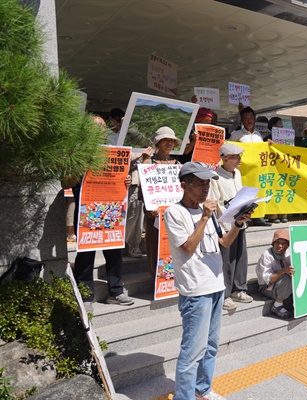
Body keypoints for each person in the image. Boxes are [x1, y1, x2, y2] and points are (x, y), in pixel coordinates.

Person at [163, 162, 252, 400]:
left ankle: (202, 389)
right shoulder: (174, 212)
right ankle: (185, 397)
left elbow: (224, 242)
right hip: (195, 291)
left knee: (211, 345)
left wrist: (238, 224)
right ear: (184, 185)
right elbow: (188, 247)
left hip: (216, 287)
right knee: (192, 350)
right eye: (200, 183)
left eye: (207, 183)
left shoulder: (208, 212)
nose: (205, 188)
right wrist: (203, 217)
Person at [68, 115, 135, 310]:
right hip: (86, 211)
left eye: (103, 129)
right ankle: (86, 295)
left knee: (114, 252)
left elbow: (119, 176)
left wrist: (126, 181)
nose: (100, 132)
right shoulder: (78, 153)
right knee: (86, 254)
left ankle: (116, 291)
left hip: (111, 210)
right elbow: (67, 181)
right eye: (96, 128)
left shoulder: (112, 152)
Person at [208, 143, 253, 311]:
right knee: (227, 259)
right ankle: (225, 293)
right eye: (235, 157)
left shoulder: (238, 173)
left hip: (241, 220)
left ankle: (239, 288)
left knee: (241, 255)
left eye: (239, 156)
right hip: (226, 223)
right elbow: (215, 201)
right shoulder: (215, 176)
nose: (239, 160)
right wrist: (222, 223)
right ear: (225, 158)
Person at [133, 127, 181, 277]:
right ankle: (156, 280)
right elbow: (143, 189)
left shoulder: (178, 164)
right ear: (157, 143)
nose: (169, 143)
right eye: (165, 140)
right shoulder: (149, 162)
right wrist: (149, 210)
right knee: (154, 246)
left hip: (175, 214)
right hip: (155, 214)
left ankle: (174, 279)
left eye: (172, 140)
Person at [229, 107, 271, 227]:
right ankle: (245, 217)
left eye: (251, 118)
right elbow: (230, 149)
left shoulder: (258, 135)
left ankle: (258, 217)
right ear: (241, 120)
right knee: (244, 193)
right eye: (246, 118)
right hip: (243, 171)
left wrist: (268, 145)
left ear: (255, 119)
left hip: (257, 171)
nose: (249, 120)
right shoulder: (236, 135)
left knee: (257, 192)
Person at [255, 229, 295, 319]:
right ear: (273, 243)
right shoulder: (266, 255)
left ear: (288, 245)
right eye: (277, 243)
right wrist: (283, 271)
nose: (280, 246)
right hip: (266, 286)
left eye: (283, 243)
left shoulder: (288, 253)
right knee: (286, 277)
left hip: (281, 284)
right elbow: (268, 280)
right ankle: (277, 304)